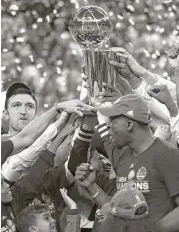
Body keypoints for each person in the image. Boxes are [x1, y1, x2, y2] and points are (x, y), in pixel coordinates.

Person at [75, 94, 179, 232]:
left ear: (129, 125)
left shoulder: (168, 155)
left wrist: (152, 229)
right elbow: (119, 210)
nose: (108, 125)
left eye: (112, 120)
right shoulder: (121, 155)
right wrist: (91, 187)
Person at [1, 82, 94, 176]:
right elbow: (20, 156)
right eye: (16, 105)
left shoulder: (57, 139)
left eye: (30, 106)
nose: (23, 112)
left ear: (36, 114)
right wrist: (59, 113)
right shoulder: (4, 145)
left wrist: (84, 96)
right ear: (5, 114)